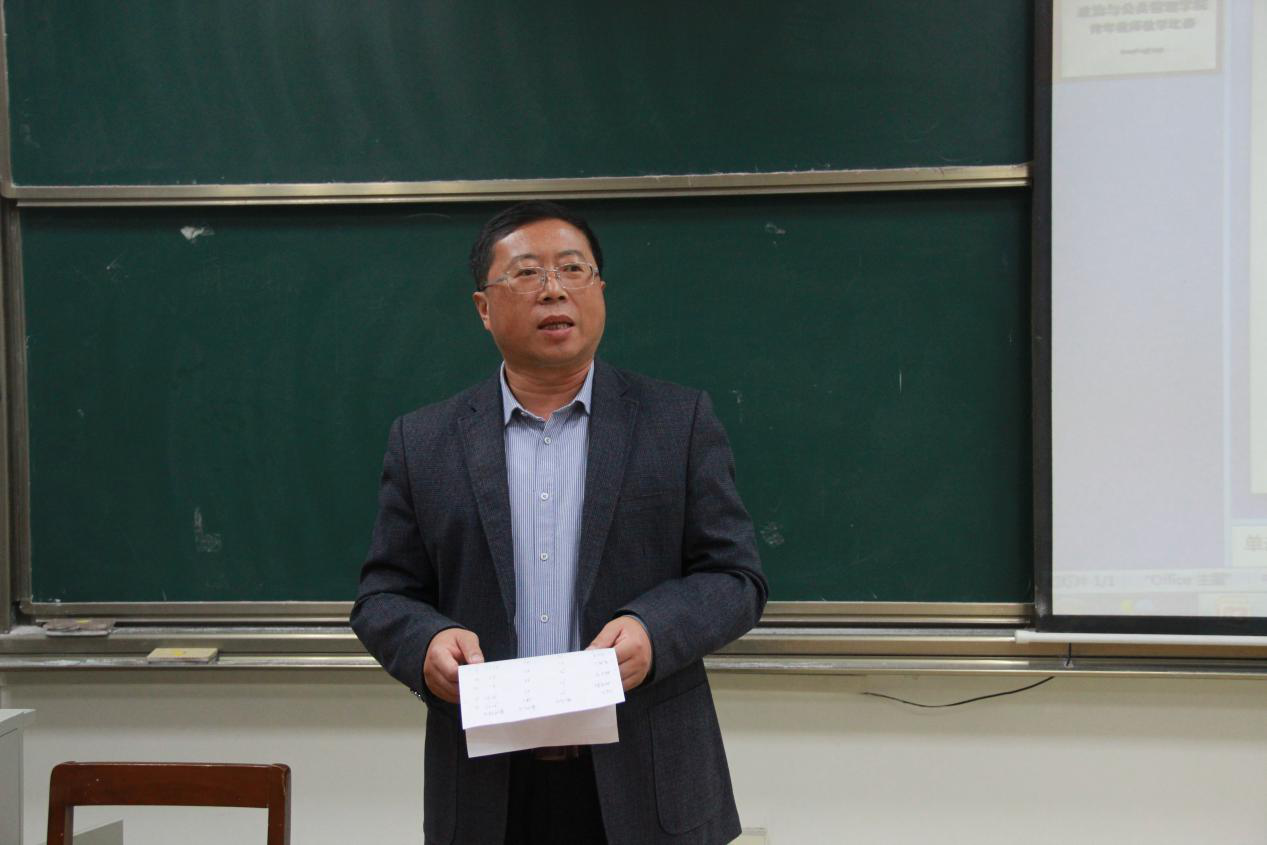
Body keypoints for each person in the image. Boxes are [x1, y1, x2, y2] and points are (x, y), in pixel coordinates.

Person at [351, 200, 767, 844]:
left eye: (574, 269)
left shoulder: (677, 422)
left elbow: (735, 577)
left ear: (600, 291)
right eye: (526, 273)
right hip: (488, 789)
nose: (553, 289)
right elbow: (383, 597)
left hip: (647, 782)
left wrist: (653, 631)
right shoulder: (424, 441)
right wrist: (427, 643)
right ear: (483, 308)